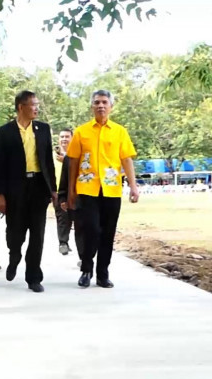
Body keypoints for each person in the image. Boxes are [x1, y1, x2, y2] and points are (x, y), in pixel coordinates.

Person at [67, 90, 140, 288]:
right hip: (87, 188)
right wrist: (71, 190)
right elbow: (73, 162)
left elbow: (126, 159)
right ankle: (86, 270)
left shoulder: (119, 132)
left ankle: (102, 273)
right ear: (92, 106)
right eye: (97, 102)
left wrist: (133, 186)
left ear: (111, 106)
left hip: (111, 189)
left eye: (104, 102)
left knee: (107, 233)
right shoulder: (81, 132)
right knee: (90, 229)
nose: (101, 106)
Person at [0, 91, 57, 293]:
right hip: (15, 188)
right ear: (21, 107)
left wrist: (53, 190)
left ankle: (33, 277)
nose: (36, 108)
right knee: (15, 232)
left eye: (37, 104)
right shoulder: (4, 132)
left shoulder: (44, 129)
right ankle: (14, 256)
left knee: (37, 234)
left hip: (38, 186)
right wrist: (0, 194)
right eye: (33, 105)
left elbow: (48, 162)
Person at [57, 128, 84, 266]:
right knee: (78, 228)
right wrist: (62, 198)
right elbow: (64, 180)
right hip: (73, 198)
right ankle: (83, 258)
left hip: (89, 198)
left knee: (86, 229)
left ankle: (86, 256)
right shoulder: (69, 158)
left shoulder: (90, 156)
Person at [54, 128, 75, 256]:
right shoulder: (53, 155)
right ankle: (63, 243)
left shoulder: (76, 155)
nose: (64, 139)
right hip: (58, 191)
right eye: (62, 137)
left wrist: (67, 160)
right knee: (62, 217)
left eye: (67, 136)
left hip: (73, 190)